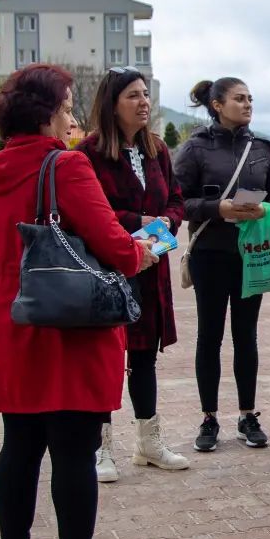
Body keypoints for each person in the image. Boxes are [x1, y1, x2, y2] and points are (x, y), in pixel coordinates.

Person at [0, 63, 159, 539]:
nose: (71, 116)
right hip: (67, 326)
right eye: (66, 106)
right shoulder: (66, 167)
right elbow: (115, 246)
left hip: (12, 324)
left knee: (20, 443)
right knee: (75, 448)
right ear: (47, 113)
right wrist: (142, 251)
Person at [76, 67, 189, 481]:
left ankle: (148, 442)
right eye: (133, 96)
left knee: (144, 357)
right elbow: (91, 211)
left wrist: (165, 223)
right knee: (106, 358)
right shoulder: (87, 153)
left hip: (150, 267)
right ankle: (101, 448)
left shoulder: (157, 150)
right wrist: (138, 220)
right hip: (108, 269)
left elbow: (176, 199)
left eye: (145, 95)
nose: (143, 102)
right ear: (112, 103)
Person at [173, 76, 270, 452]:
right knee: (209, 336)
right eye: (239, 99)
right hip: (209, 254)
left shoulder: (263, 149)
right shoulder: (195, 148)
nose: (247, 104)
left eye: (250, 98)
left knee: (246, 336)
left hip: (251, 255)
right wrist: (216, 208)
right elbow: (177, 202)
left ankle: (248, 414)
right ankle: (209, 418)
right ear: (217, 105)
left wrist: (264, 209)